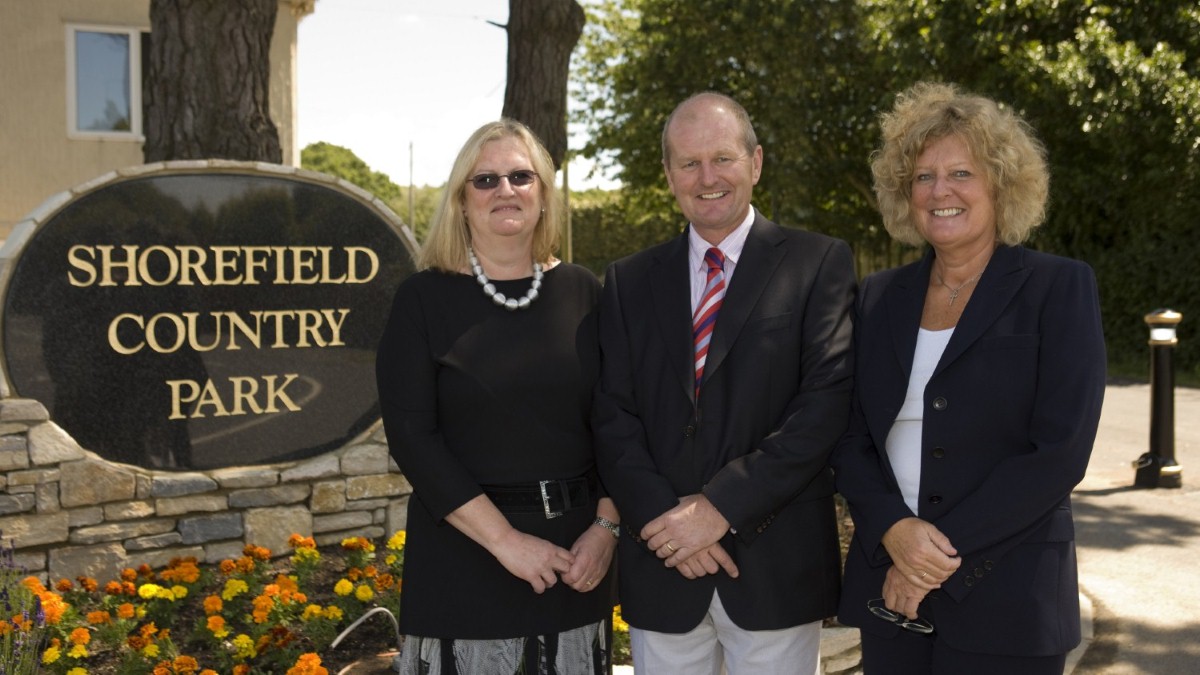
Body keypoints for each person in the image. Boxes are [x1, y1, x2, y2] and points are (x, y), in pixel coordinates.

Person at [831, 81, 1106, 674]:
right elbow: (850, 437)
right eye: (923, 177)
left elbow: (1059, 452)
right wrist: (895, 533)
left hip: (1008, 592)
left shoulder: (1057, 287)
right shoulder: (879, 296)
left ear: (1001, 186)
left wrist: (929, 558)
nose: (940, 192)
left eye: (961, 173)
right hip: (889, 592)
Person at [593, 91, 857, 674]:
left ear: (755, 163)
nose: (707, 177)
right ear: (668, 175)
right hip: (662, 567)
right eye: (688, 163)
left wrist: (719, 509)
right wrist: (669, 525)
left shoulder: (818, 264)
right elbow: (613, 416)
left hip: (774, 565)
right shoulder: (627, 282)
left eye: (723, 158)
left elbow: (824, 406)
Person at [375, 119, 618, 674]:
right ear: (461, 200)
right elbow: (413, 438)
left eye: (520, 176)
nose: (504, 190)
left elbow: (617, 422)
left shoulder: (585, 292)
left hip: (576, 558)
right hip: (467, 556)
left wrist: (606, 528)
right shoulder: (422, 300)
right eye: (485, 180)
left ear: (543, 193)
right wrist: (506, 541)